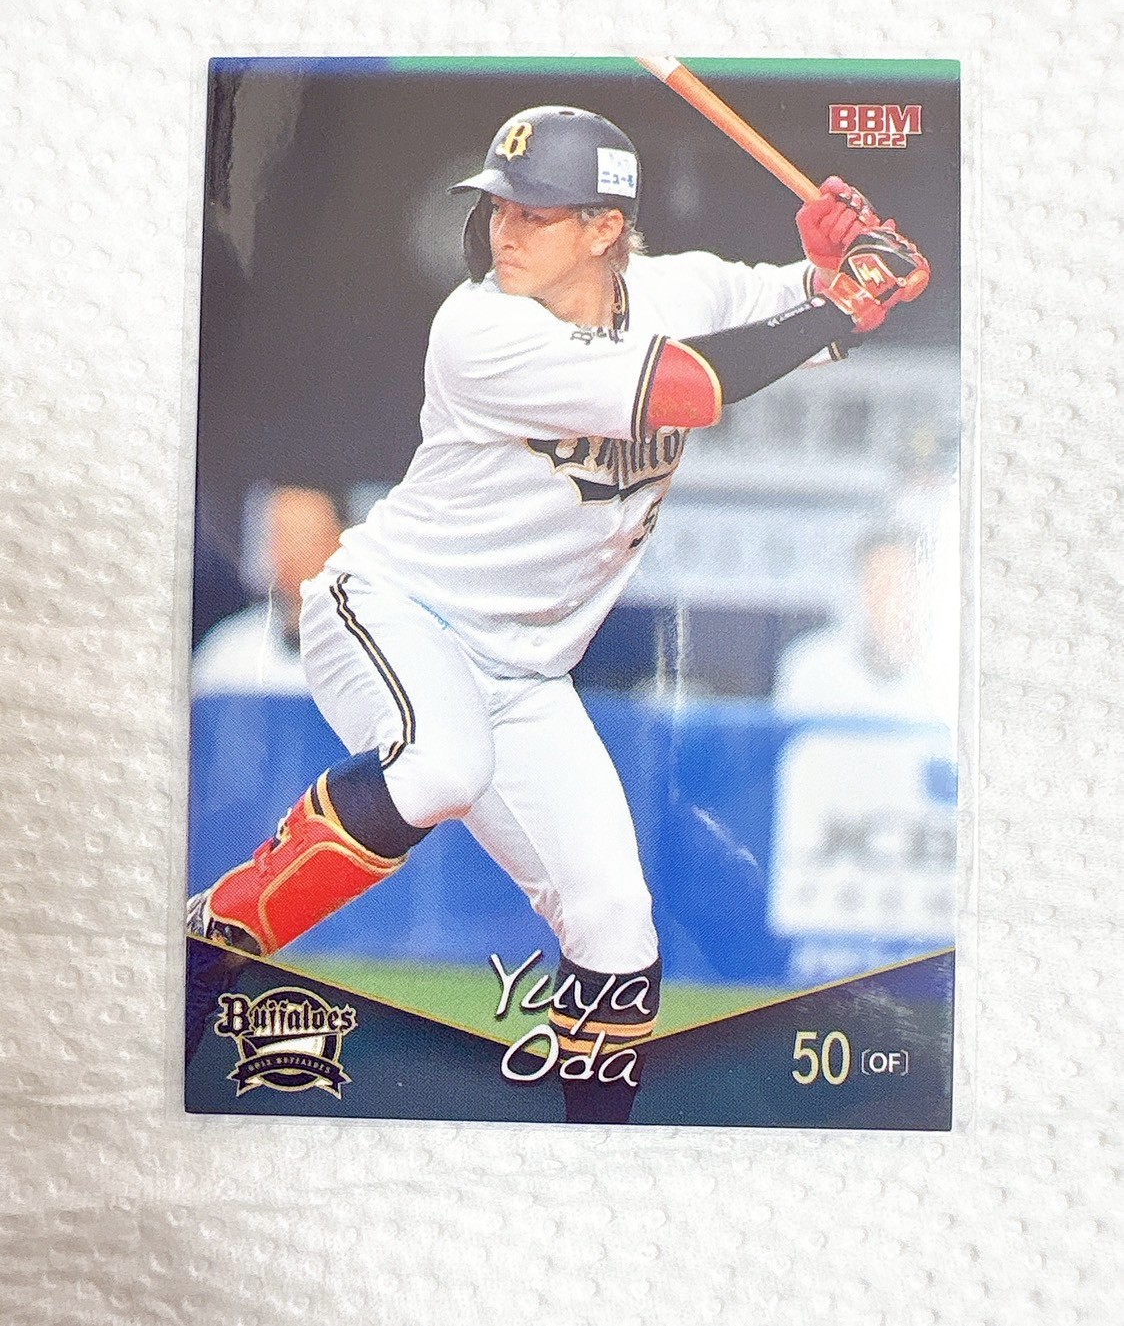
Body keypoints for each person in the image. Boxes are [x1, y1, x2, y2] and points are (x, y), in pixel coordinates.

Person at [187, 104, 929, 1122]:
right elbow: (693, 388)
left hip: (526, 673)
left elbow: (819, 312)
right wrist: (841, 303)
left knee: (616, 921)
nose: (506, 229)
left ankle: (595, 1141)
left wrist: (854, 266)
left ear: (603, 226)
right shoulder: (479, 328)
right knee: (443, 764)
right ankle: (214, 937)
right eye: (500, 207)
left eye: (536, 212)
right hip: (395, 613)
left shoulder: (682, 288)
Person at [192, 486, 344, 694]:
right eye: (280, 537)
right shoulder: (232, 648)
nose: (289, 553)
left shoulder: (374, 643)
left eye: (303, 538)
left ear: (337, 543)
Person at [772, 527, 934, 721]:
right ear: (860, 590)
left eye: (906, 585)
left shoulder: (946, 672)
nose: (894, 600)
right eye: (882, 585)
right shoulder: (814, 665)